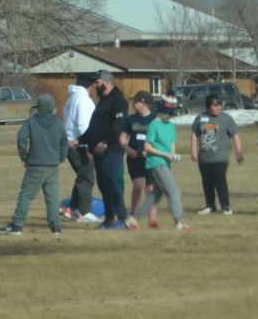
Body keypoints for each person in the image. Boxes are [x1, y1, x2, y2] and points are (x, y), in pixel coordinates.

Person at [0, 94, 68, 236]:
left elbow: (21, 137)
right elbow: (64, 144)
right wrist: (60, 158)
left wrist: (24, 156)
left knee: (26, 195)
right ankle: (56, 227)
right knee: (52, 197)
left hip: (35, 165)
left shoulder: (31, 121)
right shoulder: (59, 124)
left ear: (38, 107)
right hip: (52, 166)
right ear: (52, 108)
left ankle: (16, 225)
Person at [125, 96, 191, 231]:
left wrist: (172, 155)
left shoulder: (171, 126)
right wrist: (166, 155)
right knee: (174, 191)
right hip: (155, 162)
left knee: (156, 194)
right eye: (167, 113)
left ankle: (133, 220)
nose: (169, 116)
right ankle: (179, 221)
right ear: (161, 110)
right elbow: (147, 147)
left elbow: (171, 145)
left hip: (165, 163)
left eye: (171, 114)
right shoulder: (154, 124)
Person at [80, 70, 131, 230]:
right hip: (98, 151)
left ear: (107, 82)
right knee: (103, 185)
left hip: (112, 150)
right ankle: (109, 219)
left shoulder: (118, 101)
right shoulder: (103, 101)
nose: (95, 86)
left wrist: (105, 142)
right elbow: (94, 127)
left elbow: (118, 125)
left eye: (97, 82)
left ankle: (123, 219)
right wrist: (81, 140)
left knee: (111, 182)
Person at [190, 93, 244, 216]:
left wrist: (239, 151)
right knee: (207, 181)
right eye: (214, 105)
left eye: (219, 105)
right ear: (208, 107)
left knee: (220, 180)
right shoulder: (200, 118)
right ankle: (210, 206)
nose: (218, 108)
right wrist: (193, 151)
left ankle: (226, 206)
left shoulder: (227, 119)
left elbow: (235, 134)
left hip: (221, 157)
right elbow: (194, 134)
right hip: (204, 157)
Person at [61, 74, 99, 224]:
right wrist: (90, 144)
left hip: (71, 142)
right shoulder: (83, 99)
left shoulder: (72, 98)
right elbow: (84, 124)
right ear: (89, 86)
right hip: (80, 145)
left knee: (82, 176)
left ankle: (73, 208)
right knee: (87, 177)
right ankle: (84, 211)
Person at [120, 91, 159, 228]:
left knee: (150, 188)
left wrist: (149, 150)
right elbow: (123, 138)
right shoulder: (131, 119)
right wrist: (128, 150)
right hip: (134, 157)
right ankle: (133, 215)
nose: (132, 105)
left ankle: (152, 220)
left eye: (134, 102)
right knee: (139, 186)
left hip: (151, 158)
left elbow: (160, 140)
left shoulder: (155, 119)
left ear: (142, 103)